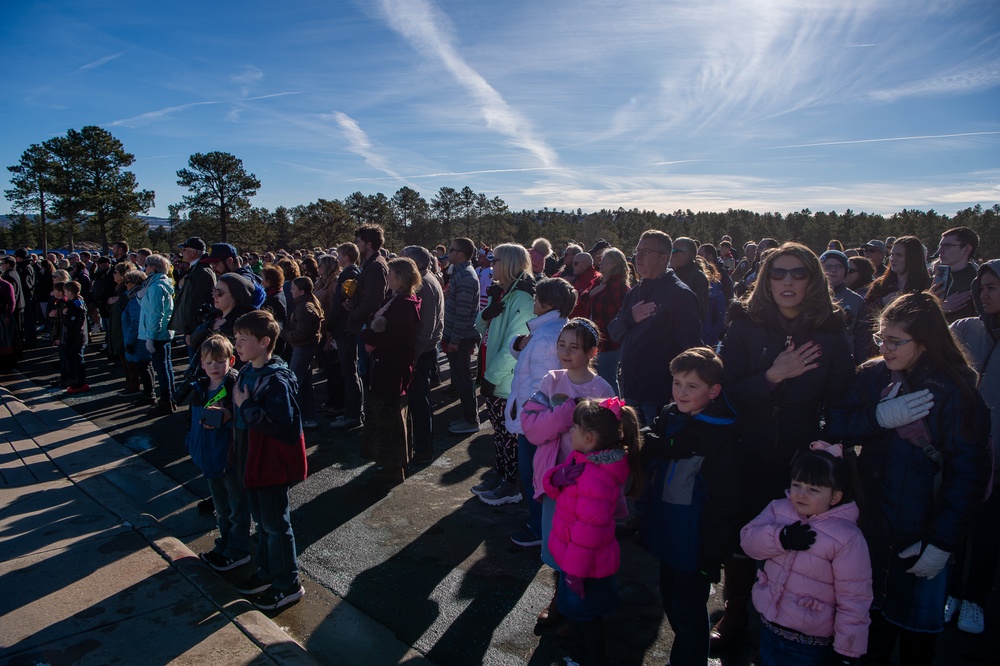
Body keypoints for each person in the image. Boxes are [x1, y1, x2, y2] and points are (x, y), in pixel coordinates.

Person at [826, 292, 991, 665]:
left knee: (917, 638)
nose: (884, 347)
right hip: (872, 529)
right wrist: (877, 417)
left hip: (920, 536)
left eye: (895, 341)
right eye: (880, 338)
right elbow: (835, 424)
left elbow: (969, 473)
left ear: (926, 342)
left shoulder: (956, 391)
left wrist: (941, 542)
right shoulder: (872, 375)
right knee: (870, 631)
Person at [713, 242, 854, 650]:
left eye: (797, 273)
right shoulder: (745, 325)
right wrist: (773, 375)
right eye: (778, 273)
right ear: (766, 279)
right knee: (743, 532)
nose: (787, 281)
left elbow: (842, 395)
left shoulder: (830, 330)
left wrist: (826, 444)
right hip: (747, 446)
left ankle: (784, 619)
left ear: (812, 280)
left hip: (801, 453)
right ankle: (736, 610)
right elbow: (727, 393)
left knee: (795, 536)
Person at [636, 347, 742, 666]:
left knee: (689, 611)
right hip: (666, 530)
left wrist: (712, 555)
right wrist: (666, 445)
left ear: (714, 391)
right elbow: (644, 442)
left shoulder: (720, 436)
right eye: (677, 382)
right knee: (671, 600)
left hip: (693, 542)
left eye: (691, 386)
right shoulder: (670, 414)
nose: (681, 392)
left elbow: (724, 502)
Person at [740, 442, 873, 665]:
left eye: (813, 489)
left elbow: (854, 599)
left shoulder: (847, 538)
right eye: (797, 484)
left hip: (810, 646)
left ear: (835, 497)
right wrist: (780, 538)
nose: (801, 494)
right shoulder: (779, 509)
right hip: (770, 629)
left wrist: (846, 651)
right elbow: (748, 542)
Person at [543, 397, 642, 666]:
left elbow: (588, 535)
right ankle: (578, 656)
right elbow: (553, 484)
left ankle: (587, 659)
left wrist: (575, 573)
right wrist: (556, 478)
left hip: (585, 568)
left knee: (586, 621)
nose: (570, 431)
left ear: (587, 437)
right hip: (576, 562)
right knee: (579, 618)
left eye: (574, 427)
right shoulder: (583, 460)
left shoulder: (596, 478)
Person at [231, 310, 308, 611]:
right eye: (235, 339)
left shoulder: (275, 379)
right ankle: (267, 571)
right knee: (262, 523)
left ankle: (288, 583)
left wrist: (247, 405)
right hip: (253, 460)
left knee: (276, 525)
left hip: (271, 463)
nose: (236, 344)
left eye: (242, 340)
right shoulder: (249, 370)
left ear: (264, 342)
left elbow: (281, 423)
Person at [945, 261, 1000, 634]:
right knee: (954, 523)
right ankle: (950, 592)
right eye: (982, 286)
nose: (985, 293)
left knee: (987, 530)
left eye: (994, 287)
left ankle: (975, 598)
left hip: (998, 453)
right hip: (959, 445)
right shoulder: (965, 328)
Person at [504, 279, 579, 547]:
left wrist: (532, 421)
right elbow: (528, 358)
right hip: (538, 422)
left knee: (536, 477)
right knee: (537, 475)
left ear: (547, 304)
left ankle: (540, 529)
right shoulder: (548, 331)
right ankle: (541, 525)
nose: (533, 303)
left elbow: (543, 385)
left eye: (536, 299)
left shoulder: (548, 337)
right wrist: (519, 343)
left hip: (537, 425)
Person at [608, 230, 702, 425]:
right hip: (630, 394)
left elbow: (691, 351)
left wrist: (677, 393)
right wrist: (629, 318)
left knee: (657, 452)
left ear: (664, 258)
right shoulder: (634, 293)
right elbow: (614, 333)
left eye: (646, 251)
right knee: (634, 451)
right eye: (637, 250)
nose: (638, 256)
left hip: (659, 398)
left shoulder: (680, 295)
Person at [473, 243, 536, 506]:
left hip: (505, 380)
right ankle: (500, 475)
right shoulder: (504, 293)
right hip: (492, 373)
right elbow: (480, 326)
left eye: (495, 259)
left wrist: (492, 377)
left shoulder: (521, 298)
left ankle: (511, 485)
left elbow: (514, 344)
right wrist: (485, 314)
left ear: (509, 263)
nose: (491, 264)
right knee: (499, 433)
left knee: (509, 435)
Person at [182, 335, 250, 573]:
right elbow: (192, 422)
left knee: (237, 506)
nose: (214, 367)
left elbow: (245, 416)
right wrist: (191, 444)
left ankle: (239, 549)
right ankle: (226, 542)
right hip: (209, 458)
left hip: (228, 458)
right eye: (209, 362)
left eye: (219, 361)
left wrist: (228, 414)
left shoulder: (234, 385)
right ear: (201, 363)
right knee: (221, 508)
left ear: (231, 360)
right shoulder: (200, 388)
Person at [359, 257, 423, 485]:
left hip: (393, 368)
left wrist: (366, 334)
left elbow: (389, 338)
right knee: (388, 416)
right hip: (389, 366)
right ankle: (390, 463)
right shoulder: (396, 300)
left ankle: (395, 467)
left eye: (391, 272)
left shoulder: (403, 304)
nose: (387, 277)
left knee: (392, 418)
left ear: (402, 277)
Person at [339, 225, 390, 429]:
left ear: (368, 244)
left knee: (367, 375)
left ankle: (370, 421)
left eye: (359, 242)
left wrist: (353, 316)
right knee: (364, 374)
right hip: (363, 323)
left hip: (366, 327)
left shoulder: (376, 266)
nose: (356, 246)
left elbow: (373, 302)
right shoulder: (370, 264)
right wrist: (353, 303)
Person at [401, 246, 445, 465]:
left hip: (421, 353)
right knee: (419, 402)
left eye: (403, 259)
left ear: (414, 263)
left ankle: (423, 450)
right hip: (422, 352)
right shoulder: (426, 280)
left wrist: (412, 358)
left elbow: (426, 326)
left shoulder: (424, 284)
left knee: (419, 403)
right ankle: (419, 446)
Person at [574, 247, 631, 394]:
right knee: (598, 377)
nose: (600, 262)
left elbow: (624, 316)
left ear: (613, 264)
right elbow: (583, 298)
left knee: (608, 378)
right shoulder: (599, 281)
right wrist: (590, 293)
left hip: (610, 342)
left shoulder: (619, 287)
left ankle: (614, 411)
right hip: (596, 339)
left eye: (605, 260)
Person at [443, 237, 484, 435]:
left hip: (460, 337)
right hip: (457, 336)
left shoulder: (466, 276)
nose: (448, 253)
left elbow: (463, 312)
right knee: (460, 379)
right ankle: (468, 417)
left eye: (451, 250)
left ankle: (470, 420)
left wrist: (455, 340)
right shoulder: (459, 274)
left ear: (460, 254)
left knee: (463, 380)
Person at [329, 243, 364, 429]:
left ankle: (353, 415)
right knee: (351, 372)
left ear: (347, 256)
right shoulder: (351, 272)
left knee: (349, 372)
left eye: (339, 254)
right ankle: (354, 412)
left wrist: (330, 325)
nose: (337, 258)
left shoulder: (350, 274)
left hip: (345, 328)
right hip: (345, 328)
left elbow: (340, 305)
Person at [190, 273, 258, 368]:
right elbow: (192, 342)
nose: (214, 296)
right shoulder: (214, 316)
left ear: (235, 295)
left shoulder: (242, 325)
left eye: (219, 293)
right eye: (214, 291)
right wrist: (208, 326)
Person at [281, 277, 324, 429]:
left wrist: (284, 334)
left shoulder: (304, 308)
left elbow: (302, 333)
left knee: (294, 384)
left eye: (293, 289)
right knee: (305, 385)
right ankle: (309, 418)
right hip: (303, 348)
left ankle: (292, 418)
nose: (290, 291)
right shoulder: (305, 304)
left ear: (301, 292)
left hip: (302, 348)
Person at [139, 255, 176, 415]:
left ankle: (166, 400)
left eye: (146, 265)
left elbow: (155, 313)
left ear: (153, 268)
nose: (144, 268)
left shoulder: (155, 287)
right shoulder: (160, 284)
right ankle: (170, 398)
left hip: (158, 333)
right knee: (166, 366)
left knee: (162, 368)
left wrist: (150, 337)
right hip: (163, 332)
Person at [821, 249, 873, 364]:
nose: (833, 270)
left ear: (846, 270)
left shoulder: (856, 301)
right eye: (828, 267)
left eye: (839, 266)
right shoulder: (809, 297)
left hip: (843, 361)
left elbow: (862, 339)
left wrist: (860, 366)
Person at [171, 237, 217, 364]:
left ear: (193, 252)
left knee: (197, 366)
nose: (182, 252)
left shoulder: (200, 272)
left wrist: (190, 331)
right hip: (197, 328)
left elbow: (195, 303)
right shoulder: (196, 269)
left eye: (184, 249)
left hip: (197, 329)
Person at [865, 236, 930, 310]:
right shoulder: (880, 285)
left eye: (899, 255)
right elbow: (863, 313)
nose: (893, 259)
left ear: (913, 258)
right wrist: (882, 302)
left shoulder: (926, 286)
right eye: (892, 255)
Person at [932, 226, 980, 323]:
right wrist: (938, 307)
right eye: (940, 246)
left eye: (947, 246)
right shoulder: (935, 280)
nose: (939, 252)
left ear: (966, 249)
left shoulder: (978, 283)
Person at [107, 261, 139, 395]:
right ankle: (130, 385)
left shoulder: (126, 293)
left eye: (116, 272)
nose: (113, 274)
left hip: (124, 330)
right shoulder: (120, 290)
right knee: (125, 361)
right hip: (119, 329)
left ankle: (133, 386)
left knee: (129, 361)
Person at [669, 236, 709, 325]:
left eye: (673, 251)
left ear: (685, 255)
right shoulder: (670, 274)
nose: (669, 255)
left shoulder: (698, 277)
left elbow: (699, 312)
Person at [60, 281, 89, 394]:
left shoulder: (74, 307)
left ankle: (81, 382)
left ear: (70, 292)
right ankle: (79, 381)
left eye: (65, 291)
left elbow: (73, 326)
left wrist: (68, 340)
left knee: (77, 361)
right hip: (79, 337)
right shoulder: (78, 303)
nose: (64, 294)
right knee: (77, 360)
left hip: (75, 338)